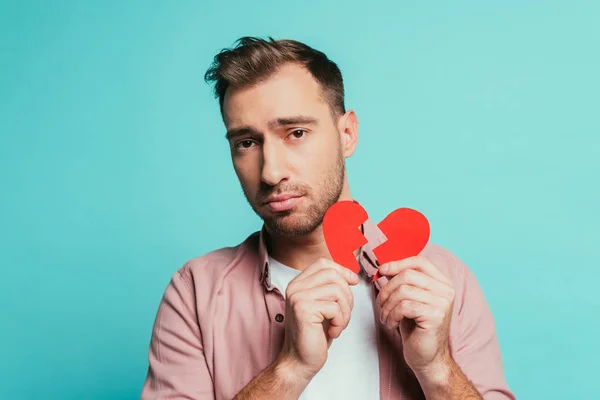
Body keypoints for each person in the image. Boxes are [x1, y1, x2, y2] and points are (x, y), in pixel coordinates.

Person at [140, 36, 515, 400]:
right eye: (247, 143)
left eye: (296, 132)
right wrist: (290, 368)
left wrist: (438, 370)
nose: (270, 172)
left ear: (347, 133)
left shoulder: (444, 283)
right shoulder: (196, 292)